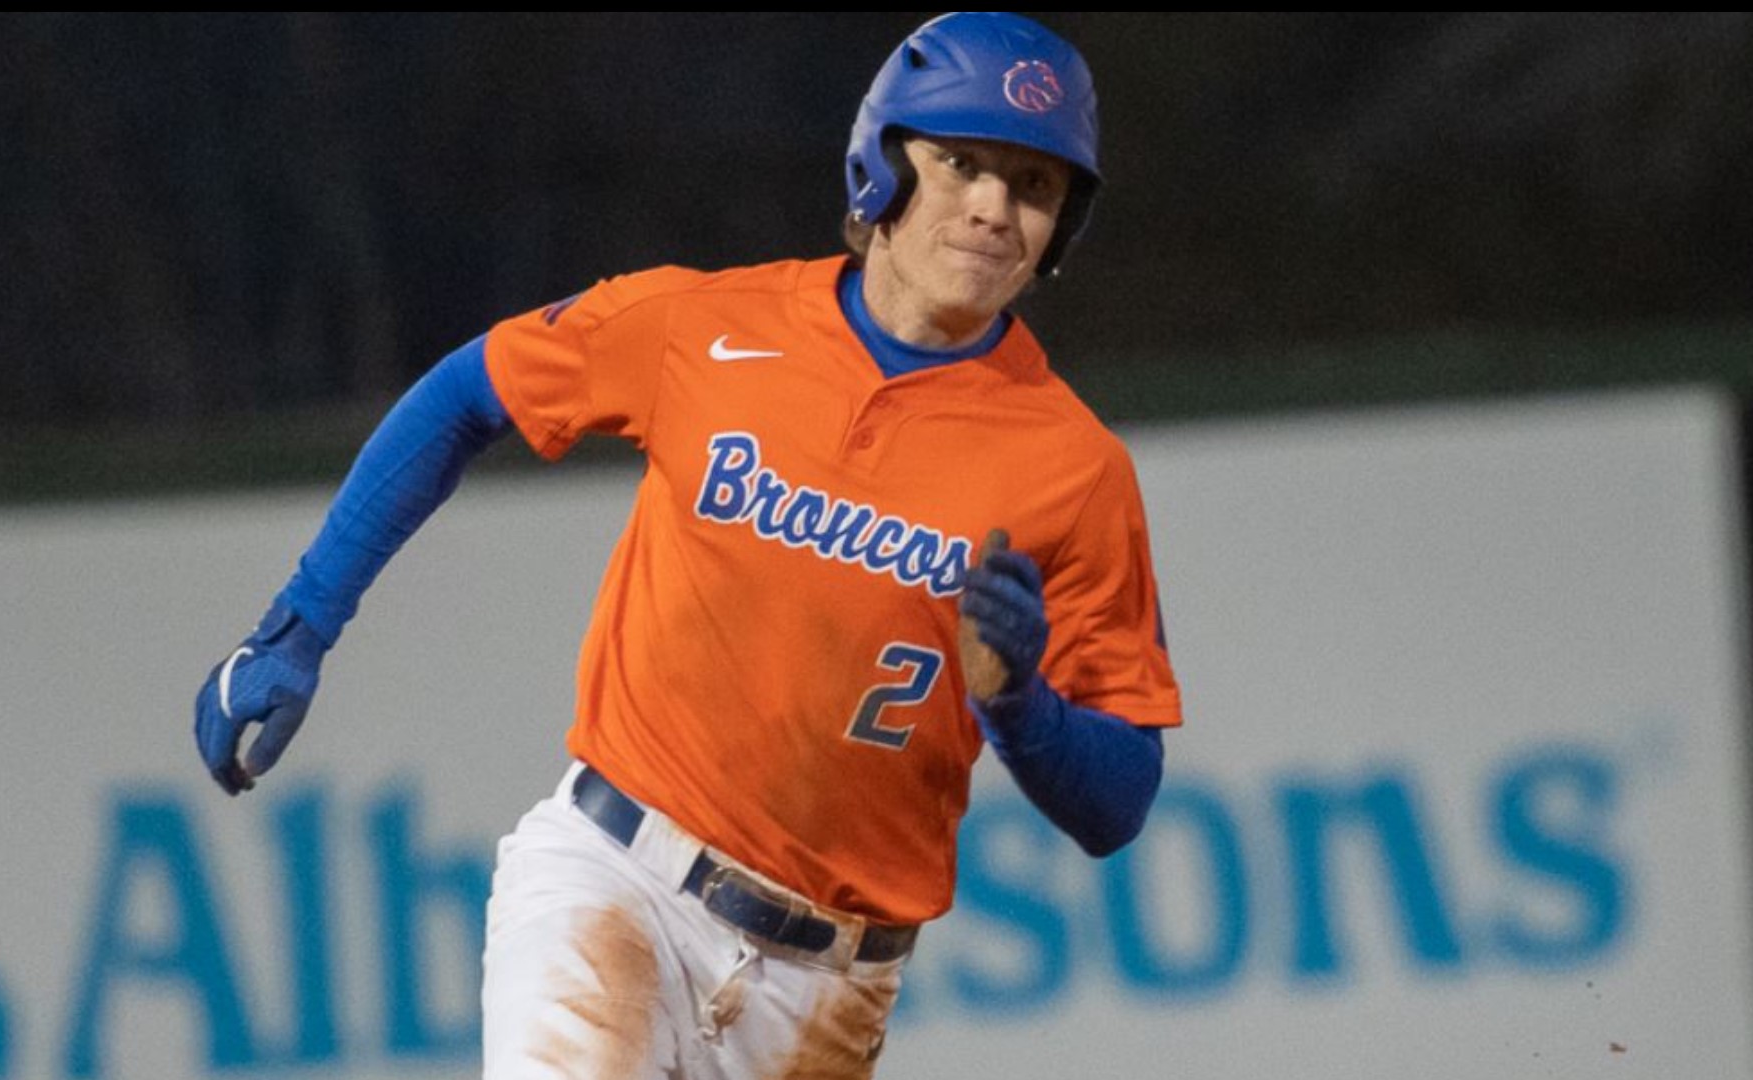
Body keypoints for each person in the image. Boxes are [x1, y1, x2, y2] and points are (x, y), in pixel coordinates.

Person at [195, 11, 1181, 1078]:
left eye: (1034, 187)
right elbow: (465, 395)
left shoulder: (1074, 470)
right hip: (614, 879)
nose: (994, 208)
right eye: (962, 164)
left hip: (828, 990)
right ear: (885, 165)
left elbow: (1117, 801)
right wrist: (298, 625)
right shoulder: (704, 329)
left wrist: (1020, 709)